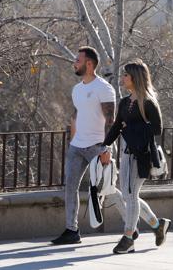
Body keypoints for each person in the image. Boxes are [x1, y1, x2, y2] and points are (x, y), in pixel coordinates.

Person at [102, 59, 171, 254]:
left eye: (126, 75)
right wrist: (105, 145)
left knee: (130, 196)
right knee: (128, 195)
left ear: (135, 78)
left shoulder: (148, 102)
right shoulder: (125, 102)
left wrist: (130, 128)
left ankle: (128, 237)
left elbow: (157, 129)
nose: (123, 78)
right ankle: (157, 225)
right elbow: (117, 126)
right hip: (126, 153)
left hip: (142, 155)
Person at [50, 46, 116, 245]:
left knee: (108, 189)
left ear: (89, 64)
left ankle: (139, 222)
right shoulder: (77, 89)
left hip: (98, 147)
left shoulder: (104, 88)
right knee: (70, 187)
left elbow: (110, 121)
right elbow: (76, 115)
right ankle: (72, 230)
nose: (74, 63)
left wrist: (107, 149)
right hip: (77, 148)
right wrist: (72, 141)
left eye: (78, 60)